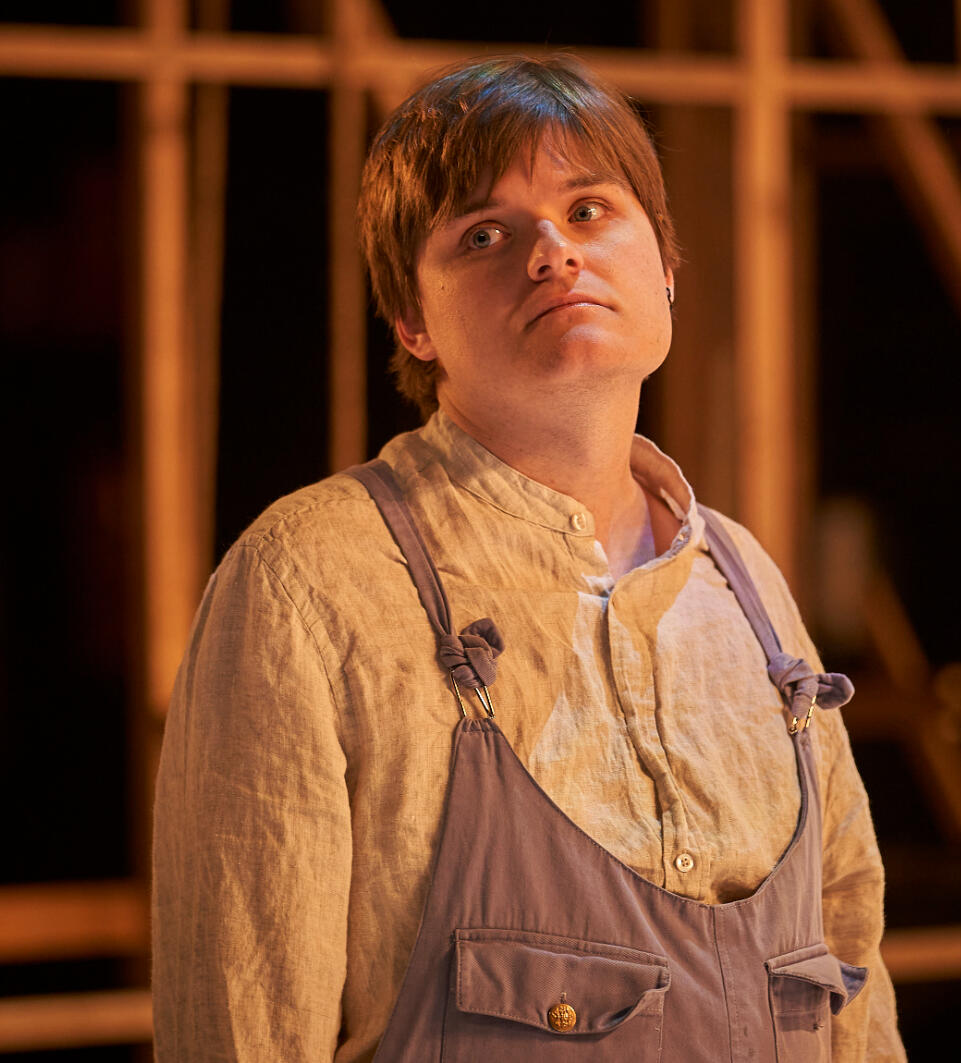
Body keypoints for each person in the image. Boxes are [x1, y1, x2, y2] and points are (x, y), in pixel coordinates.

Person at [151, 53, 906, 1062]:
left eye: (589, 211)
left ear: (666, 266)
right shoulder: (309, 584)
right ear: (413, 320)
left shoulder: (743, 586)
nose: (553, 252)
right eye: (484, 234)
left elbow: (853, 977)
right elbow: (243, 1030)